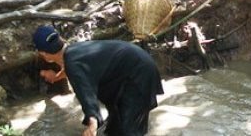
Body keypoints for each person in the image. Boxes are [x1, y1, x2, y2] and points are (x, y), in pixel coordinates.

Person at [32, 25, 164, 136]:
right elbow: (76, 71)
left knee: (129, 131)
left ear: (43, 54)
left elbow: (85, 93)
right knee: (114, 128)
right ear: (60, 40)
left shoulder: (72, 62)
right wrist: (56, 77)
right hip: (135, 65)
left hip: (139, 74)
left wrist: (92, 121)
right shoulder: (74, 51)